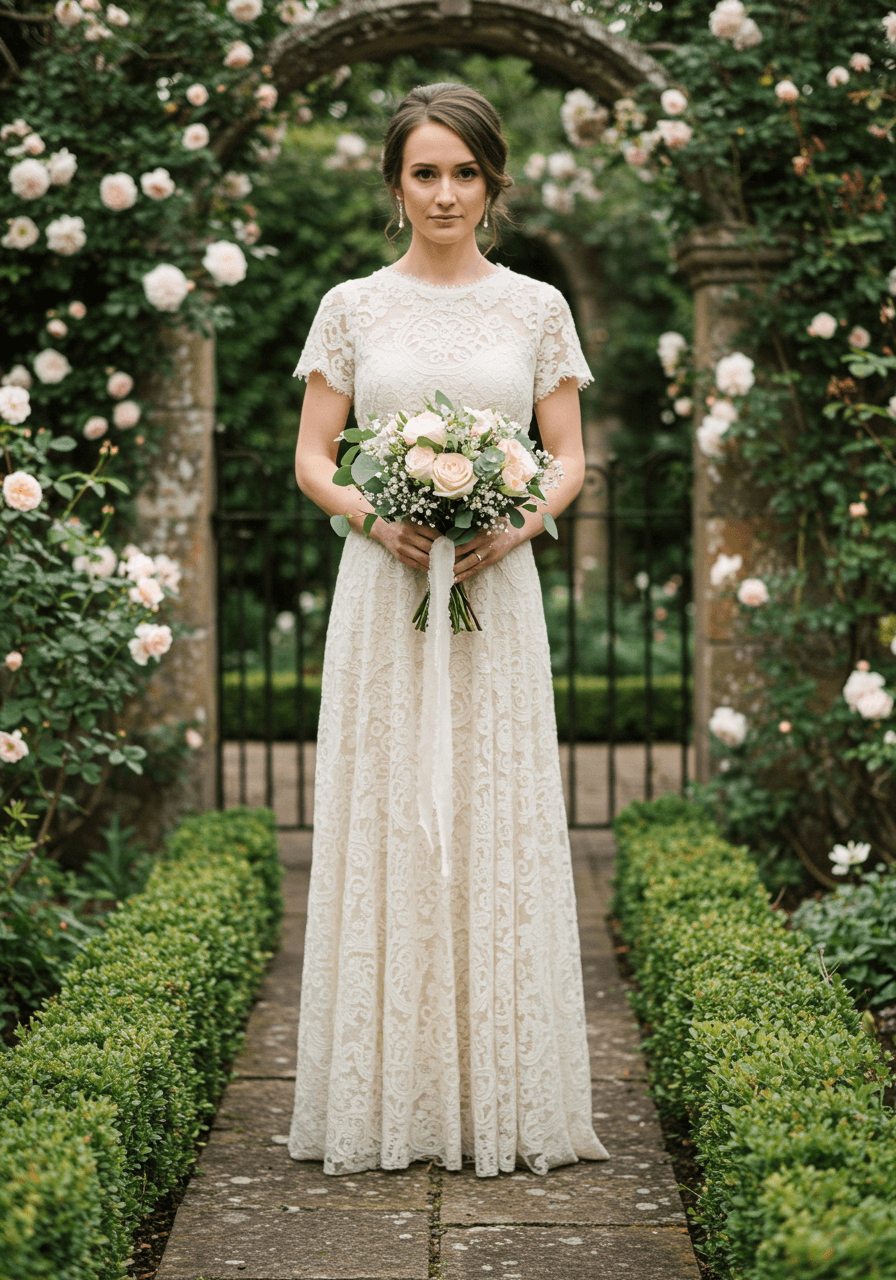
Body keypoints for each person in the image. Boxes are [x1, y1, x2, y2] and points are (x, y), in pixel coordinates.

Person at [287, 81, 609, 1178]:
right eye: (423, 171)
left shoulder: (534, 309)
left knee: (488, 814)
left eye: (463, 172)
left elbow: (566, 454)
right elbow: (311, 458)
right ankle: (391, 1095)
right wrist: (374, 515)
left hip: (493, 591)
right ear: (394, 184)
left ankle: (496, 1092)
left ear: (492, 183)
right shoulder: (349, 305)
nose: (443, 192)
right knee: (387, 818)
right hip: (381, 596)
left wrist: (514, 523)